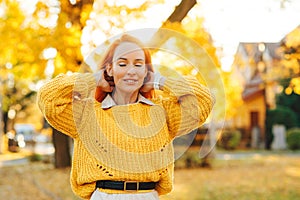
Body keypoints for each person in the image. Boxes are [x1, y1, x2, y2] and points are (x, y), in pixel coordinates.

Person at [37, 34, 215, 200]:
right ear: (110, 69)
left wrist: (160, 81)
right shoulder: (87, 113)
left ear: (146, 72)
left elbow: (204, 100)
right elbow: (48, 98)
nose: (131, 71)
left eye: (138, 64)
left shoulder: (163, 112)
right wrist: (94, 79)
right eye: (122, 64)